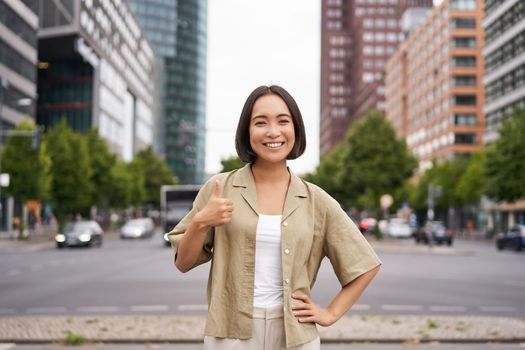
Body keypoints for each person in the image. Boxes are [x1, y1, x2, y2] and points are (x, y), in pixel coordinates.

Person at [167, 85, 381, 349]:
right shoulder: (220, 189)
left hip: (295, 334)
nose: (273, 132)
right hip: (232, 333)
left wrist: (330, 313)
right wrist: (200, 222)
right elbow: (183, 263)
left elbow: (365, 264)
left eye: (283, 121)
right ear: (247, 131)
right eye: (260, 122)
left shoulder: (317, 200)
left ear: (295, 129)